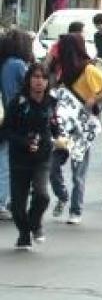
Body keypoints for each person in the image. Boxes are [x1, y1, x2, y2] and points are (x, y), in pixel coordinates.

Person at [50, 34, 102, 225]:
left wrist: (94, 99)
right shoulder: (61, 71)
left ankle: (76, 210)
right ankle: (62, 195)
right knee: (53, 167)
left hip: (82, 124)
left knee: (78, 169)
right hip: (63, 125)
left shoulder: (88, 69)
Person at [2, 64, 64, 249]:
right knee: (17, 206)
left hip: (42, 157)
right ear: (29, 79)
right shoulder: (17, 102)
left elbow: (54, 126)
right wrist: (24, 141)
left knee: (42, 196)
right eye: (35, 77)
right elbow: (5, 131)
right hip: (19, 159)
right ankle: (24, 234)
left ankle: (35, 223)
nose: (39, 81)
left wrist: (60, 137)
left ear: (47, 81)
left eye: (43, 78)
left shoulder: (51, 102)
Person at [0, 29, 33, 220]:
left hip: (3, 117)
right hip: (17, 118)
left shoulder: (3, 63)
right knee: (11, 162)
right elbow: (33, 86)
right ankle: (5, 201)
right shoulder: (18, 65)